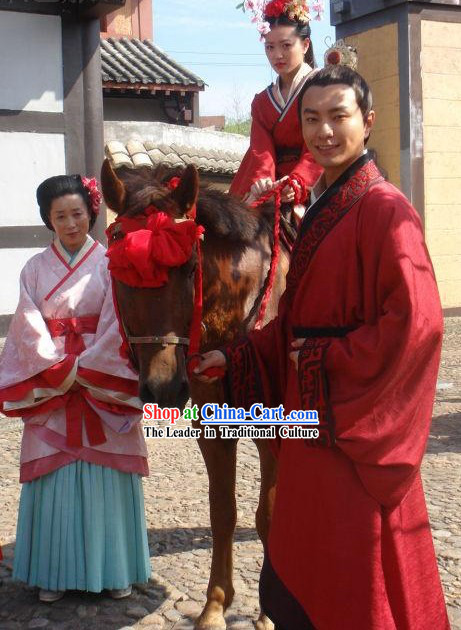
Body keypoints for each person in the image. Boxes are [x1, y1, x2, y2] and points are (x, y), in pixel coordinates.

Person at [194, 65, 450, 629]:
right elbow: (296, 326)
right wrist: (239, 357)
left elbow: (419, 326)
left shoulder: (385, 210)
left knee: (352, 571)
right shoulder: (322, 211)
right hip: (312, 427)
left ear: (367, 121)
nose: (323, 132)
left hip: (349, 432)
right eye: (312, 119)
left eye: (339, 117)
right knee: (303, 562)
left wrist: (321, 363)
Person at [0, 175, 150, 603]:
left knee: (108, 473)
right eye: (60, 215)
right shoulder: (33, 269)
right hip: (53, 380)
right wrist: (58, 369)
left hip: (101, 379)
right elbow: (27, 326)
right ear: (48, 219)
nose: (70, 223)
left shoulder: (110, 263)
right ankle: (52, 572)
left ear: (92, 213)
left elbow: (119, 321)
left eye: (77, 214)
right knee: (54, 474)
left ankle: (115, 569)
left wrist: (87, 367)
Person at [230, 0, 323, 207]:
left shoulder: (321, 88)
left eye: (286, 45)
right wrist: (263, 183)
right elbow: (261, 150)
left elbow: (321, 142)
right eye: (270, 47)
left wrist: (299, 180)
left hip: (313, 176)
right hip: (273, 183)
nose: (277, 55)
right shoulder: (263, 102)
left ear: (305, 44)